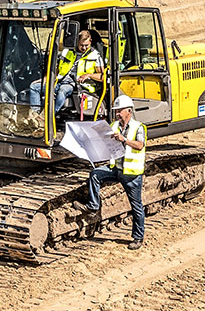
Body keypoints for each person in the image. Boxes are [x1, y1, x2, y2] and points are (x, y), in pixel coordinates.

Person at [74, 95, 148, 250]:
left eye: (120, 110)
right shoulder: (114, 125)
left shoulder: (138, 127)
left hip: (131, 174)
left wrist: (124, 140)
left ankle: (138, 237)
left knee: (136, 207)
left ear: (129, 110)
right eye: (116, 110)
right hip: (116, 169)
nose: (117, 113)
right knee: (95, 174)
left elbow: (140, 145)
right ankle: (93, 205)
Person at [28, 29, 104, 112]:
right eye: (81, 45)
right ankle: (36, 114)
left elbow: (102, 76)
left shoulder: (95, 56)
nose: (84, 48)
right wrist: (45, 79)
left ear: (90, 41)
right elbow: (57, 69)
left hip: (76, 85)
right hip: (59, 81)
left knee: (62, 91)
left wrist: (89, 75)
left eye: (86, 45)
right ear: (76, 42)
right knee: (34, 87)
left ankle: (51, 114)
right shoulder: (66, 52)